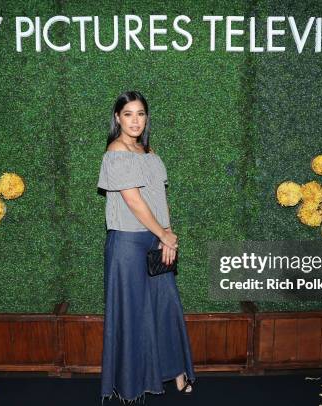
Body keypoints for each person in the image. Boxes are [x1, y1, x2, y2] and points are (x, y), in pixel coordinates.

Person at [98, 90, 196, 404]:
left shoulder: (148, 150)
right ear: (117, 118)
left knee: (166, 305)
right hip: (126, 243)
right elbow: (134, 202)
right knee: (132, 314)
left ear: (146, 117)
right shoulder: (115, 151)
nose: (135, 120)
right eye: (128, 114)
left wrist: (167, 232)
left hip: (156, 238)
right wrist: (163, 236)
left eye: (140, 113)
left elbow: (157, 196)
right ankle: (130, 384)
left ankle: (177, 370)